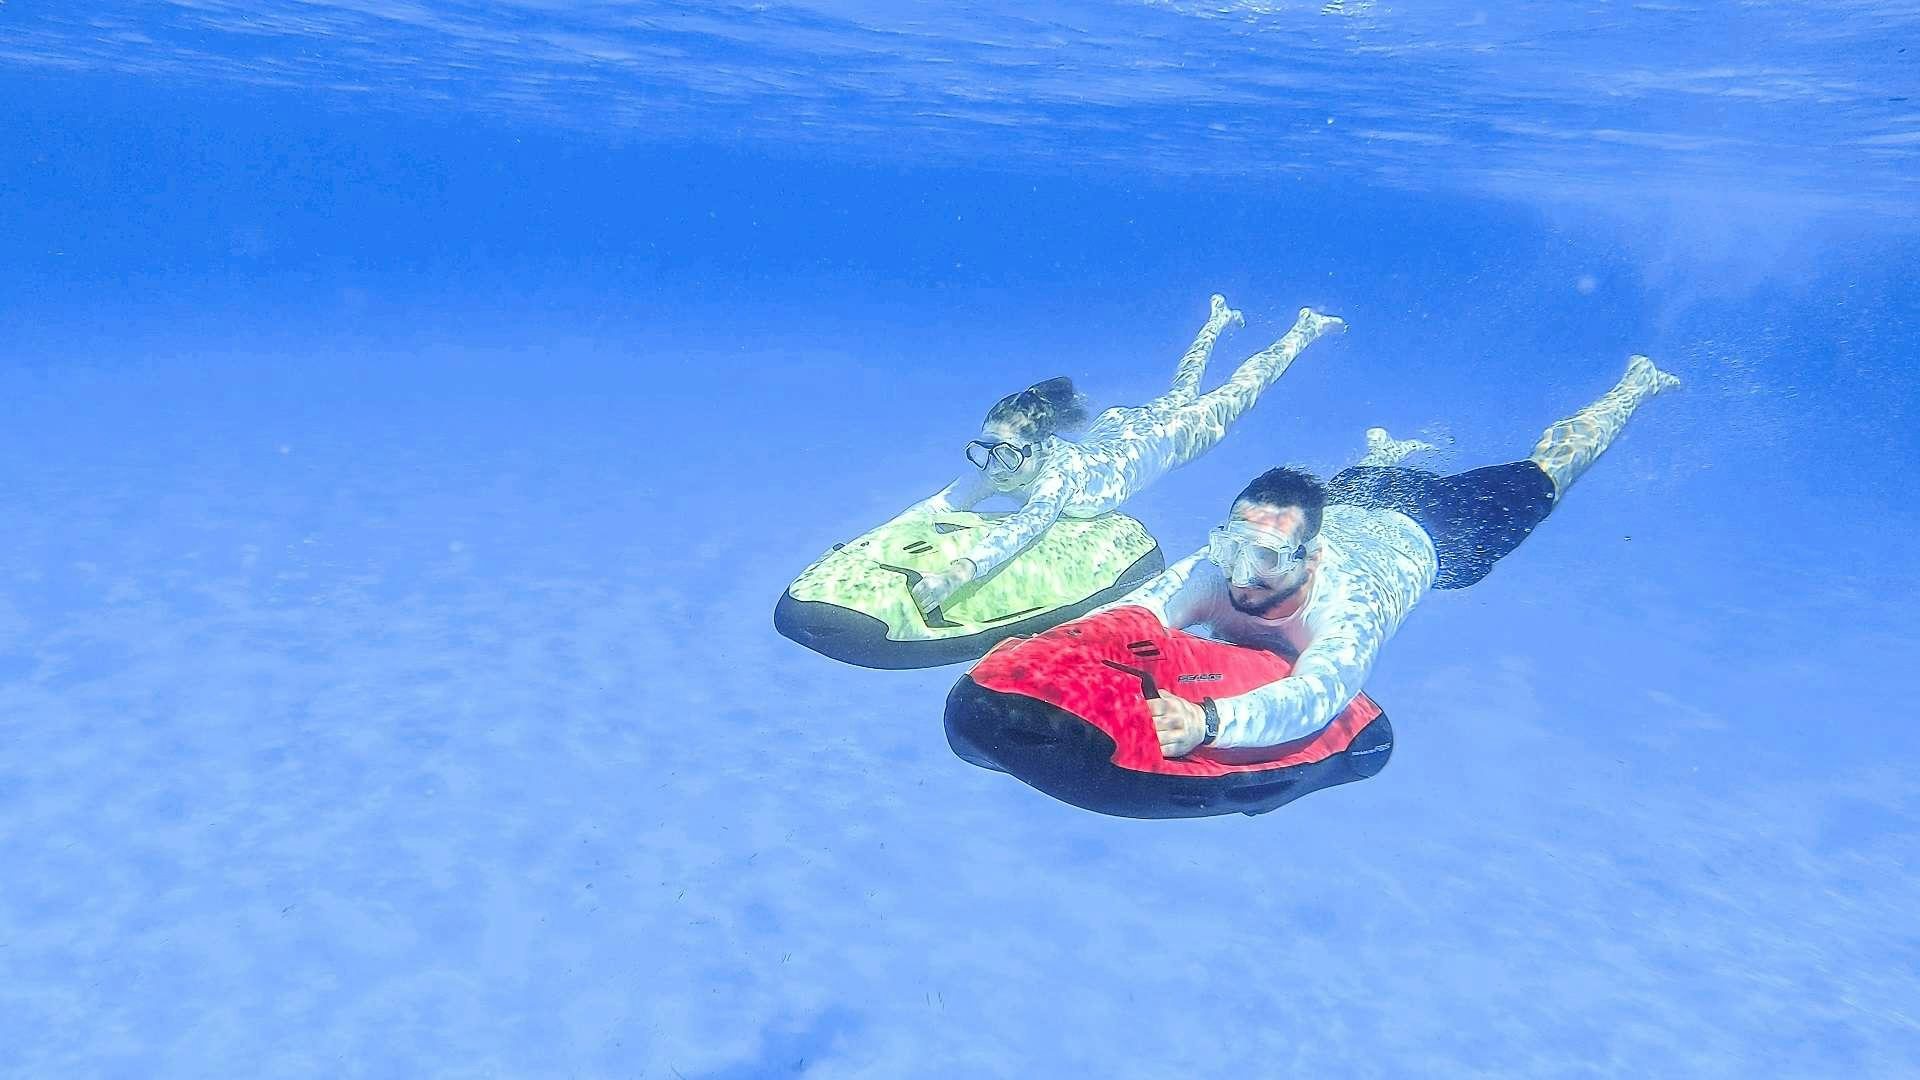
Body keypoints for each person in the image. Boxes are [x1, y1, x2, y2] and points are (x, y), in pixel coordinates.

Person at [1114, 354, 1682, 759]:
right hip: (1353, 498)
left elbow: (1319, 695)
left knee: (1544, 477)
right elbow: (1133, 613)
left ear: (1312, 559)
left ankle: (1634, 386)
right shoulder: (1223, 562)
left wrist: (1207, 722)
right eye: (1230, 547)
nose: (1240, 574)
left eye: (1262, 557)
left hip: (1442, 530)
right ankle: (1384, 456)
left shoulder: (1347, 605)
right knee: (1359, 481)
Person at [896, 295, 1347, 614]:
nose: (993, 468)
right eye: (983, 451)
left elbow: (1022, 528)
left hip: (1167, 439)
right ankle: (1218, 320)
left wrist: (955, 575)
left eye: (1007, 455)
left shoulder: (1055, 478)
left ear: (1042, 447)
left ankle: (1302, 328)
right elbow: (945, 501)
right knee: (1182, 387)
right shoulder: (1005, 462)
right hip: (1123, 428)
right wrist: (897, 529)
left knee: (1238, 390)